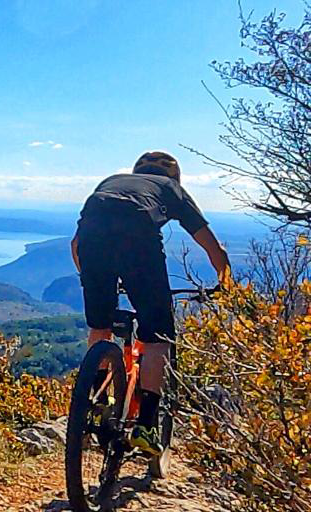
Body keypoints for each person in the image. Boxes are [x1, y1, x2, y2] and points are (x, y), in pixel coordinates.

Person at [71, 151, 231, 455]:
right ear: (175, 177)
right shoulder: (171, 189)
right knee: (158, 337)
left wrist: (92, 279)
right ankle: (146, 425)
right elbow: (212, 246)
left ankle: (97, 404)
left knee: (100, 326)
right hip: (139, 248)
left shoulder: (111, 182)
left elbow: (76, 245)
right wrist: (228, 286)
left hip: (93, 248)